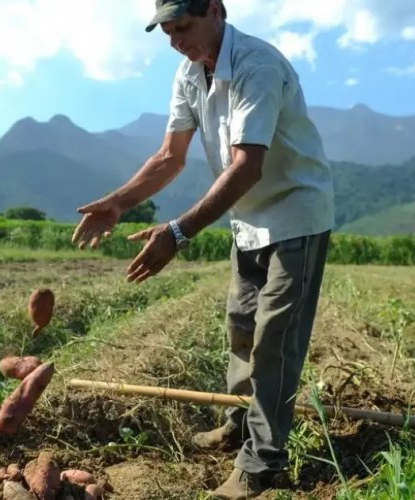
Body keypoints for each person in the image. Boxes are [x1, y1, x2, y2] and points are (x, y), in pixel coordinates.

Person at [71, 0, 335, 497]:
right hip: (247, 219)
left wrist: (178, 232)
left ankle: (261, 465)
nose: (176, 41)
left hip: (295, 215)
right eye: (167, 33)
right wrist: (118, 202)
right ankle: (240, 424)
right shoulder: (190, 73)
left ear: (215, 10)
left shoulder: (257, 65)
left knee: (275, 340)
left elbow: (247, 165)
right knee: (241, 327)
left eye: (183, 27)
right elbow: (169, 156)